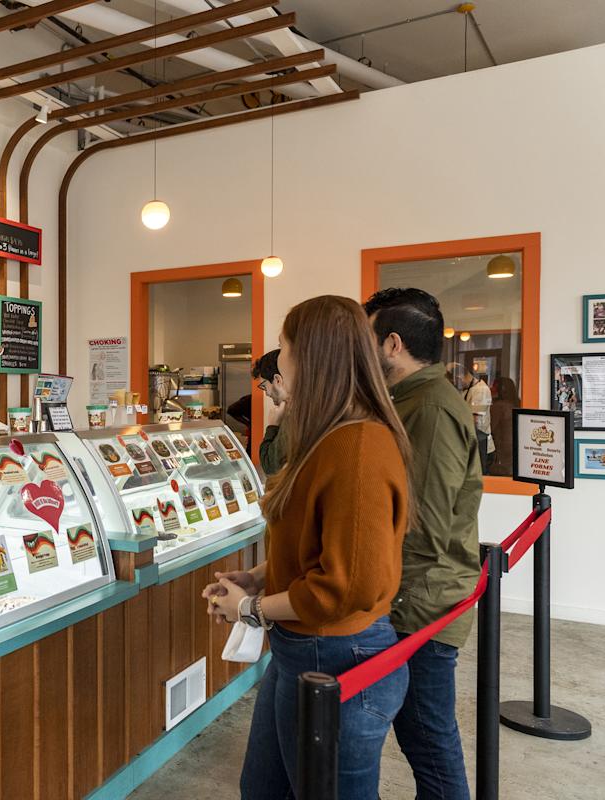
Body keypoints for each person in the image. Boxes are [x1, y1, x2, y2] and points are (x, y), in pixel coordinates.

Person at [204, 295, 411, 800]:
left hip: (337, 654)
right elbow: (320, 544)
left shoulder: (358, 448)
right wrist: (260, 577)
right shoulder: (328, 436)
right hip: (301, 649)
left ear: (311, 356)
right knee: (263, 787)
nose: (279, 360)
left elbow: (347, 585)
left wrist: (250, 608)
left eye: (284, 347)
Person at [364, 287, 482, 800]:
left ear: (392, 344)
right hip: (413, 600)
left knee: (428, 741)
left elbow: (424, 529)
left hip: (422, 608)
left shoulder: (430, 408)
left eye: (366, 339)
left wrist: (381, 600)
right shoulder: (407, 401)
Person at [251, 349, 288, 474]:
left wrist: (273, 426)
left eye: (264, 385)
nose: (266, 393)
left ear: (277, 380)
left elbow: (270, 466)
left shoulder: (295, 415)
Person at [464, 370, 493, 471]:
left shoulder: (481, 390)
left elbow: (475, 420)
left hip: (480, 444)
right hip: (473, 442)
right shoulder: (468, 389)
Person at [490, 376, 519, 476]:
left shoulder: (499, 406)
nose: (491, 388)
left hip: (503, 446)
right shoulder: (517, 402)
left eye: (494, 387)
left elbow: (490, 427)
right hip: (515, 444)